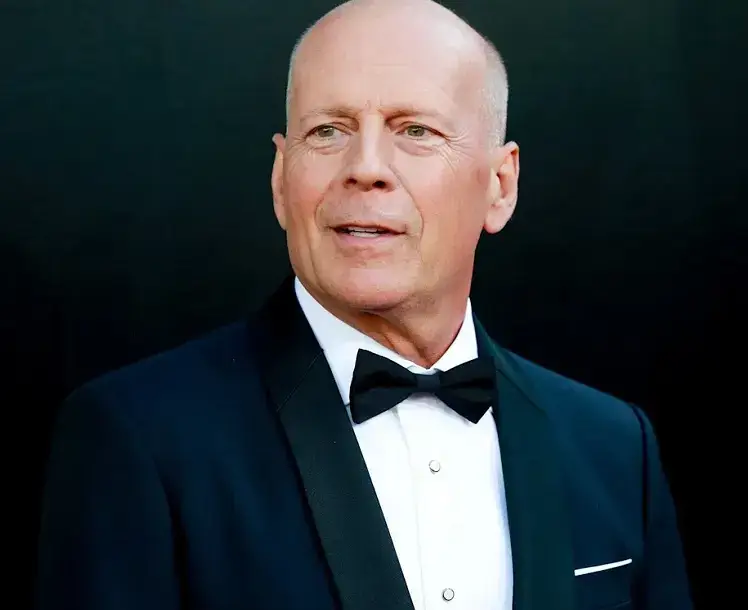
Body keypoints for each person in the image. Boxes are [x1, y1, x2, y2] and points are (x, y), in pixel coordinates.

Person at [34, 0, 693, 608]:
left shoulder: (614, 445)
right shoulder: (138, 438)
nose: (366, 166)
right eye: (328, 131)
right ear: (280, 180)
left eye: (416, 130)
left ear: (500, 185)